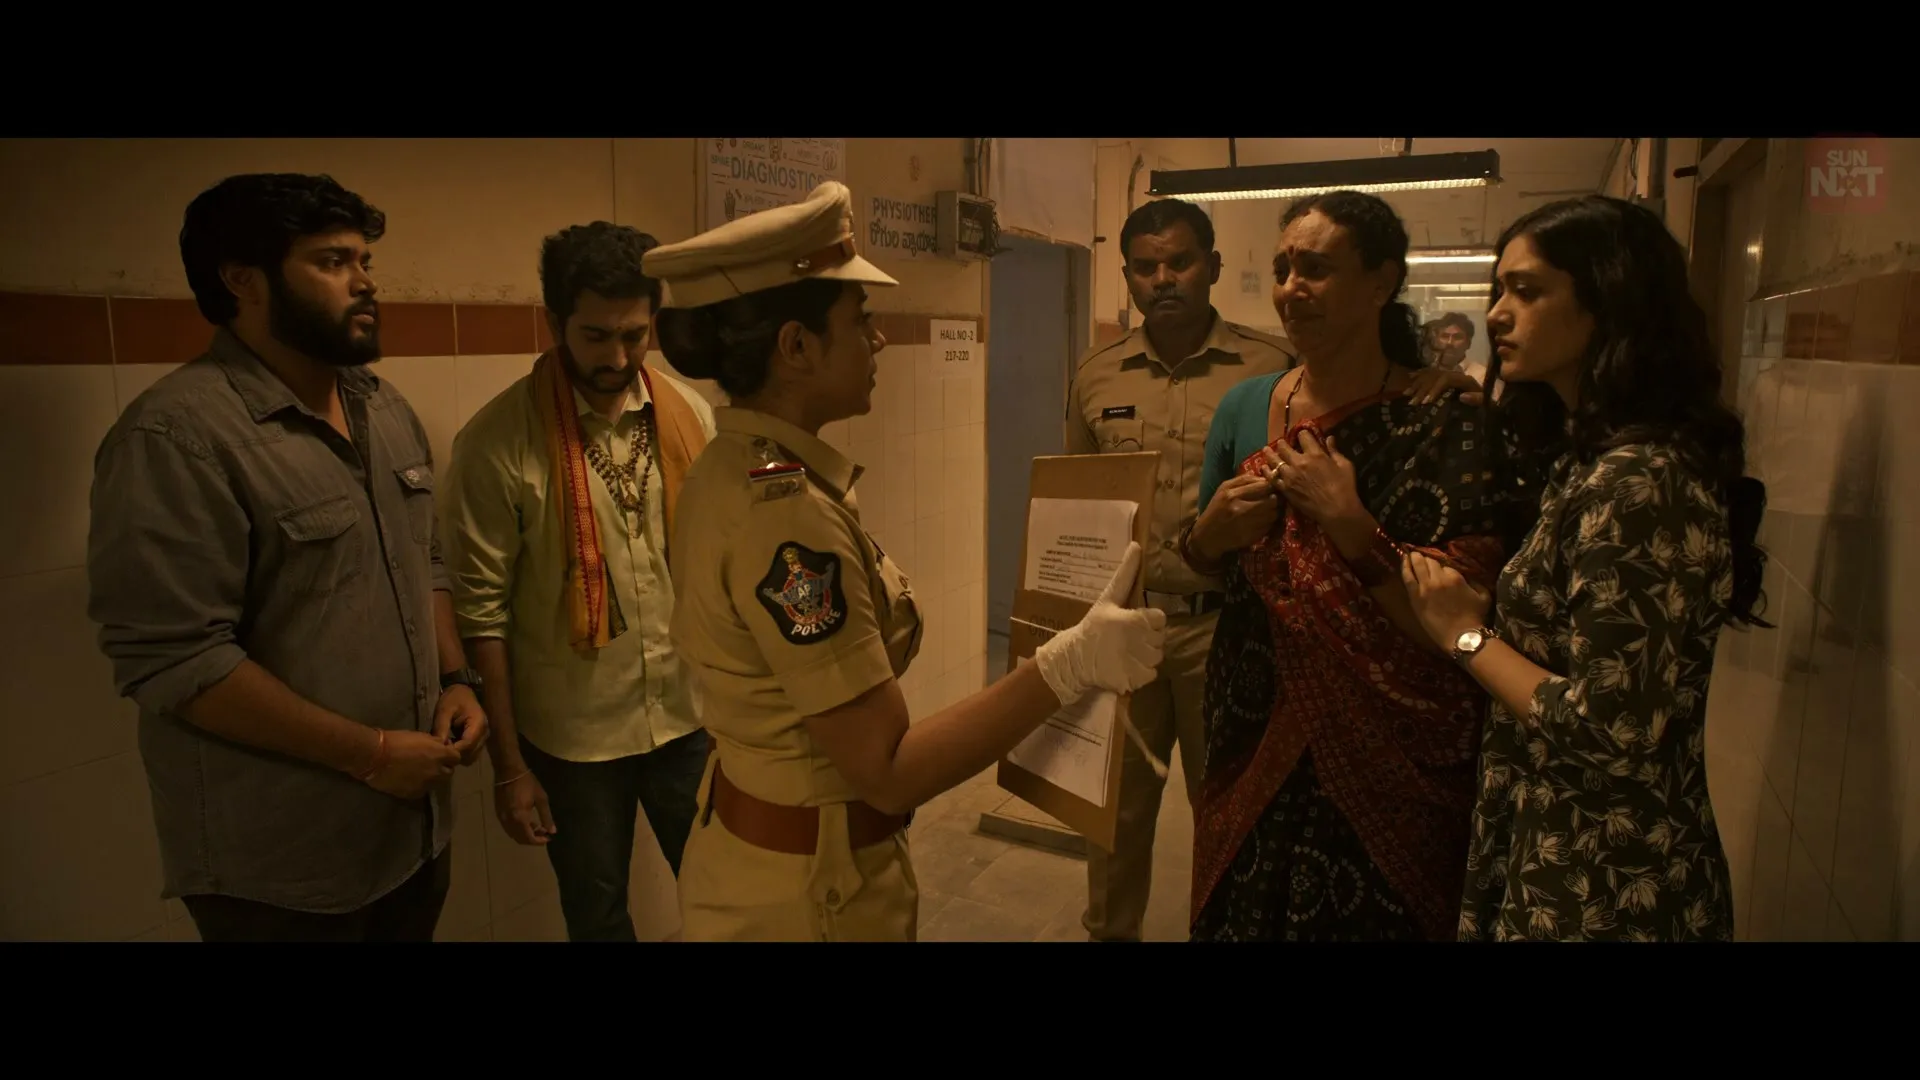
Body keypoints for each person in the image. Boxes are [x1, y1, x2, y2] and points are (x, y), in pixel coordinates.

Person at [642, 181, 1168, 942]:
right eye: (861, 321)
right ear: (796, 347)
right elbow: (889, 771)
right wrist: (1068, 664)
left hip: (762, 863)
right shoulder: (785, 518)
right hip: (813, 901)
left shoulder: (735, 468)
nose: (880, 340)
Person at [86, 173, 488, 942]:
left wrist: (456, 678)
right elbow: (178, 662)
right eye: (332, 262)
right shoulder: (175, 438)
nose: (365, 282)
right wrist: (372, 755)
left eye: (364, 260)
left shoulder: (382, 407)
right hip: (283, 868)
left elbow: (425, 559)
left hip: (409, 835)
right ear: (244, 281)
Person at [1401, 194, 1768, 942]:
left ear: (1608, 302)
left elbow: (1611, 729)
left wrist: (1465, 636)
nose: (1498, 313)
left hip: (1607, 881)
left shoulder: (1639, 481)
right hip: (1559, 847)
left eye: (1528, 291)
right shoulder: (1589, 460)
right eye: (1499, 290)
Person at [1180, 190, 1528, 942]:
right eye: (1282, 269)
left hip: (1392, 750)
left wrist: (1349, 525)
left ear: (1381, 283)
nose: (1290, 289)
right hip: (1250, 718)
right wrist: (1209, 533)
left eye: (1316, 269)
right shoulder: (1246, 406)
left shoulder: (1443, 417)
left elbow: (1459, 613)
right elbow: (1203, 558)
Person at [442, 221, 715, 942]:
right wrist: (509, 767)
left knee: (728, 900)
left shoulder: (690, 415)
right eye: (596, 336)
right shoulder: (497, 442)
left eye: (635, 335)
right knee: (597, 920)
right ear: (554, 321)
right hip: (573, 742)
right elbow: (482, 616)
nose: (618, 358)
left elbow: (720, 565)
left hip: (688, 717)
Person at [1061, 197, 1296, 942]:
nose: (1162, 278)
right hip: (1124, 628)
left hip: (1224, 627)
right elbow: (1074, 506)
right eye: (1144, 267)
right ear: (1128, 276)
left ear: (1213, 266)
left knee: (1229, 810)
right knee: (1113, 813)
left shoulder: (1271, 368)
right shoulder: (1096, 375)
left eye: (1180, 261)